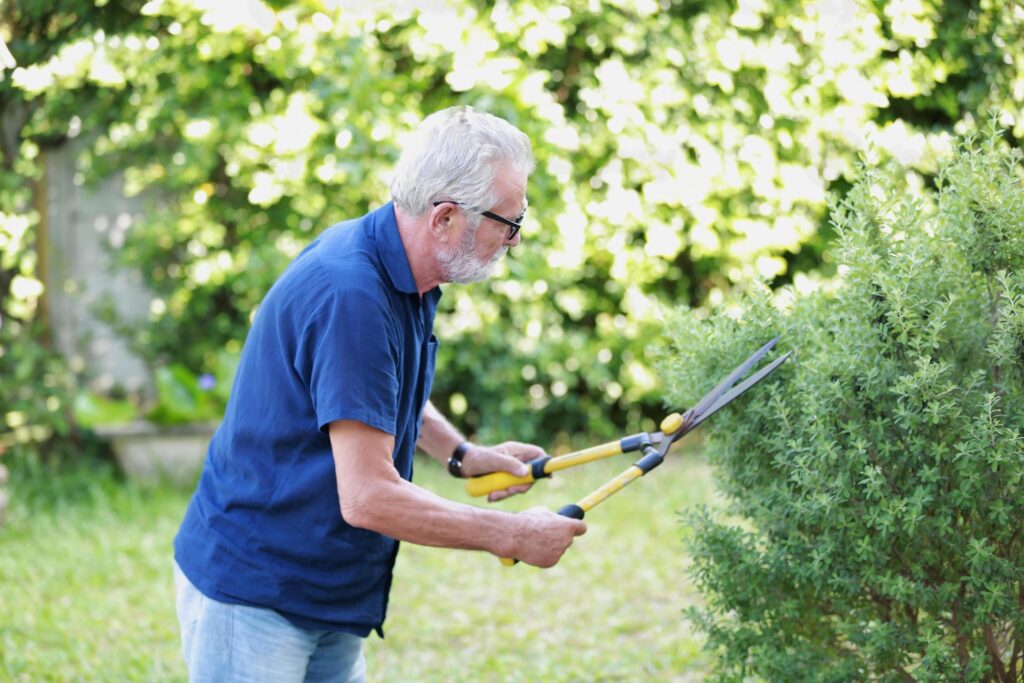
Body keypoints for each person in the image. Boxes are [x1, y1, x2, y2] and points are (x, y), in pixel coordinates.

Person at [172, 106, 587, 682]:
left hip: (330, 591)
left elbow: (374, 390)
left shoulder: (405, 269)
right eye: (508, 223)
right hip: (258, 590)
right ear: (445, 218)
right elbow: (367, 496)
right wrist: (511, 534)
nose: (513, 242)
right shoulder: (351, 296)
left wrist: (460, 455)